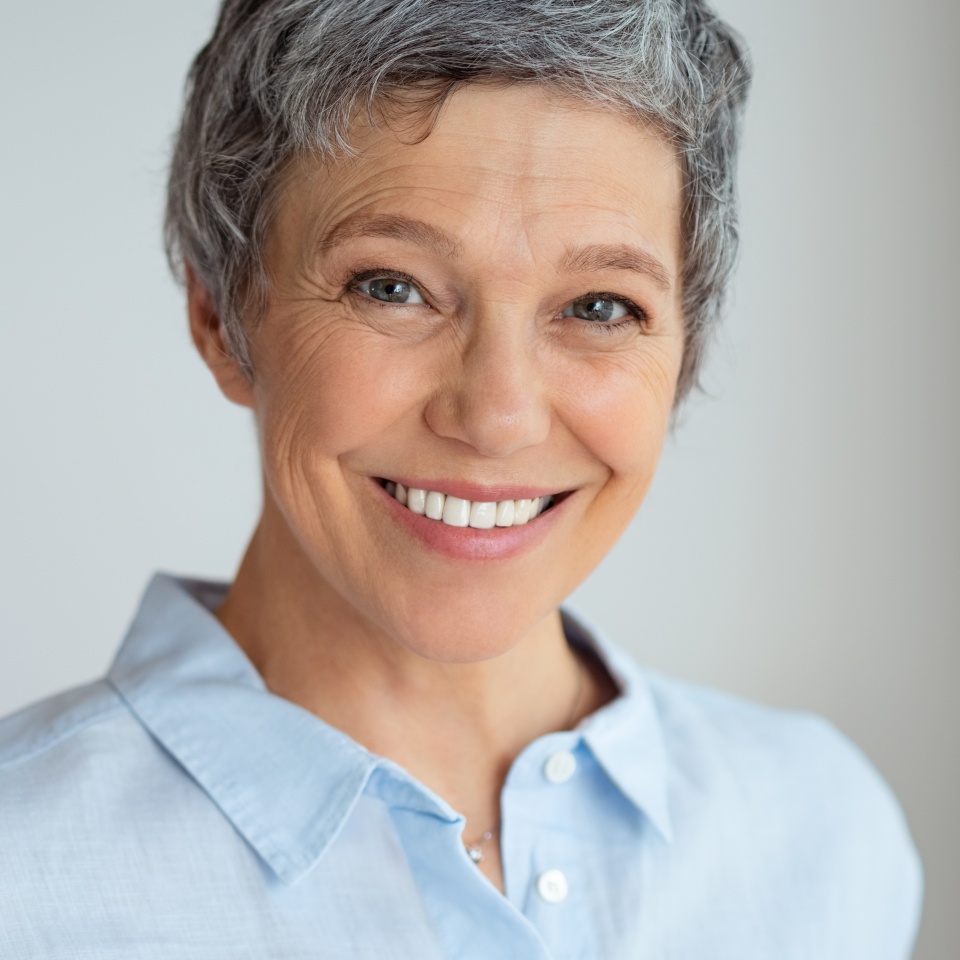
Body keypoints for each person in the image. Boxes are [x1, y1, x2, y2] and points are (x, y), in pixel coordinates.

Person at [0, 1, 922, 957]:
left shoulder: (825, 840)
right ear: (219, 314)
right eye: (392, 287)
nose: (497, 416)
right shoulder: (21, 877)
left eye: (600, 306)